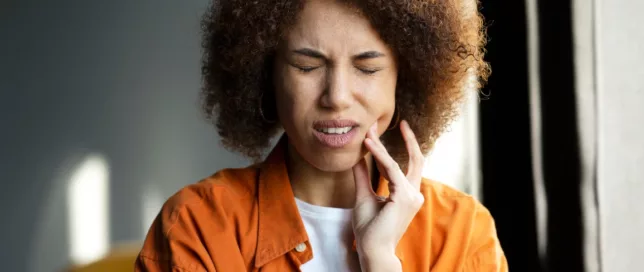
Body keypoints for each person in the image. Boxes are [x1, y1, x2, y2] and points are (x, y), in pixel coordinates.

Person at [136, 0, 506, 271]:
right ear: (266, 75)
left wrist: (380, 262)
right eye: (307, 66)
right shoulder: (196, 226)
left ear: (404, 79)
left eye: (367, 68)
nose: (337, 97)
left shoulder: (462, 235)